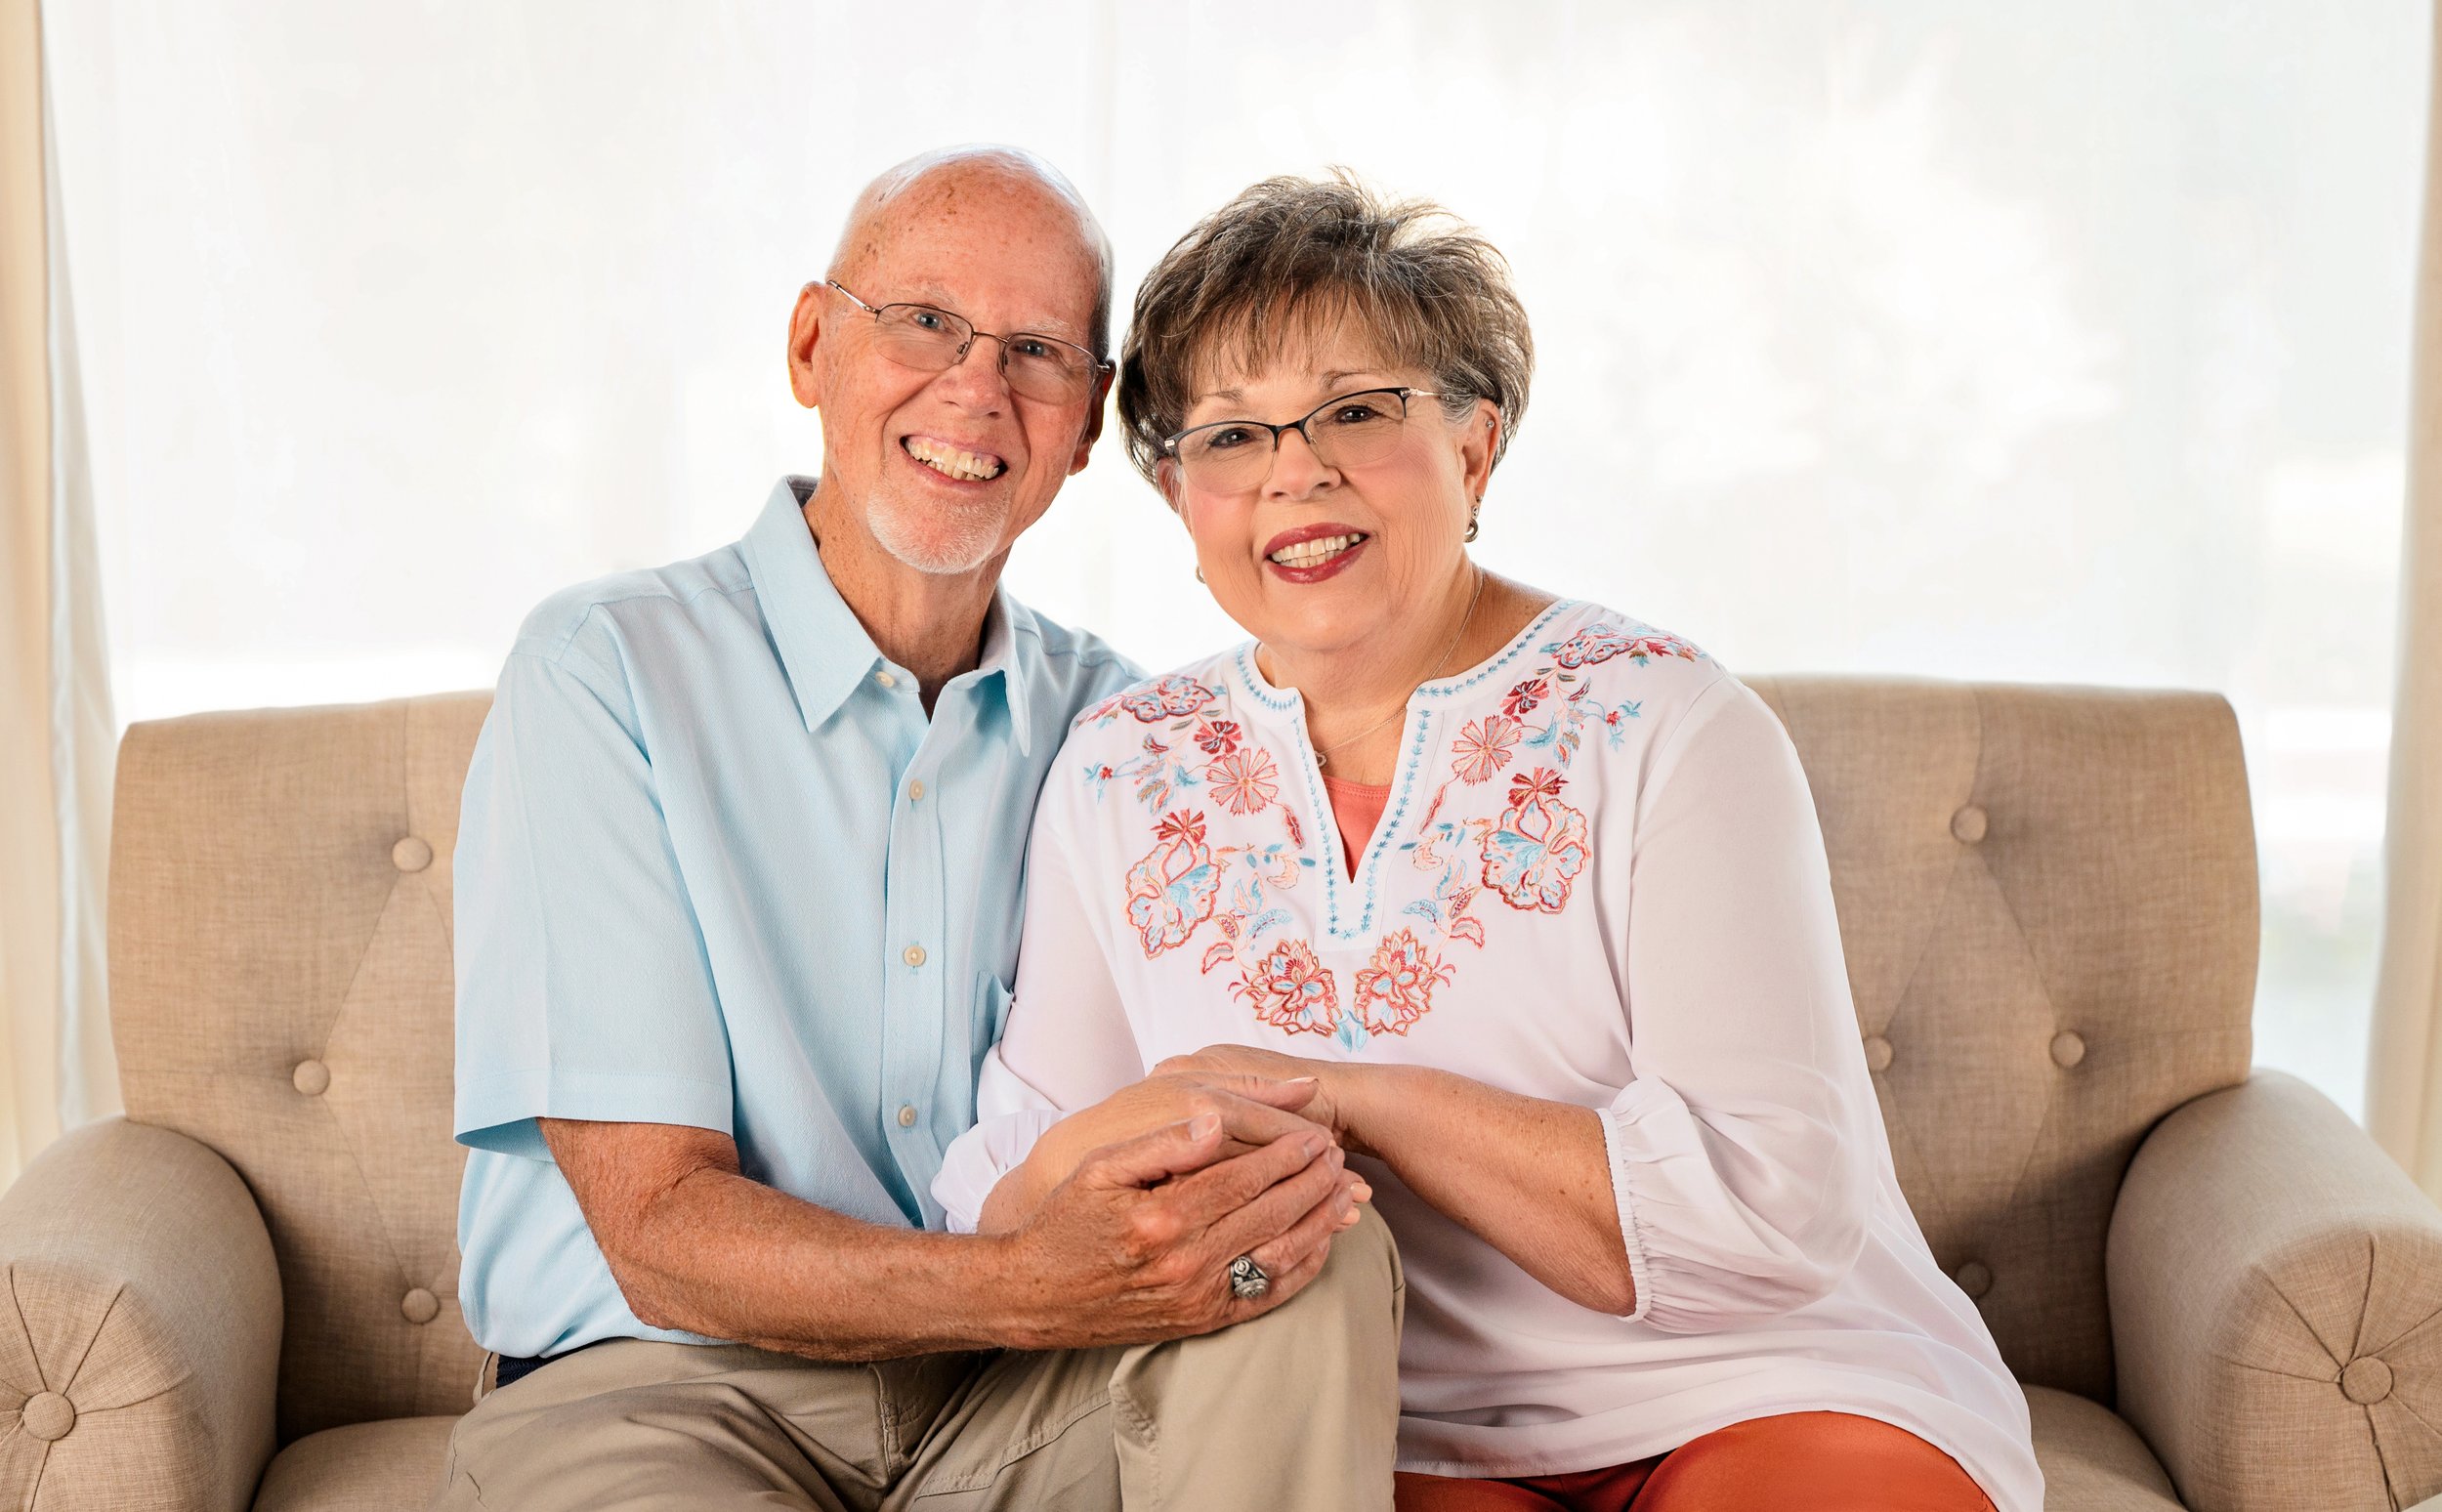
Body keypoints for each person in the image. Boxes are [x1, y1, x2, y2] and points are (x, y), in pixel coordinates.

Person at [934, 173, 2045, 1512]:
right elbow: (1015, 1185)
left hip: (1763, 1378)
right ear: (1177, 496)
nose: (1298, 471)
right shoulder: (1119, 772)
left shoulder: (1668, 724)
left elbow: (1771, 1211)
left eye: (1357, 410)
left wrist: (1354, 1097)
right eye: (1231, 436)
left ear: (1475, 449)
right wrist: (1135, 1147)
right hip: (1387, 1426)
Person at [437, 147, 1399, 1512]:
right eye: (925, 322)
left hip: (1008, 1399)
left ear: (1086, 426)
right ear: (813, 344)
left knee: (1306, 1254)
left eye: (1036, 350)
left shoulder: (1127, 736)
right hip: (658, 1396)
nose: (975, 388)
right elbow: (655, 1230)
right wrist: (1028, 1286)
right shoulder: (607, 672)